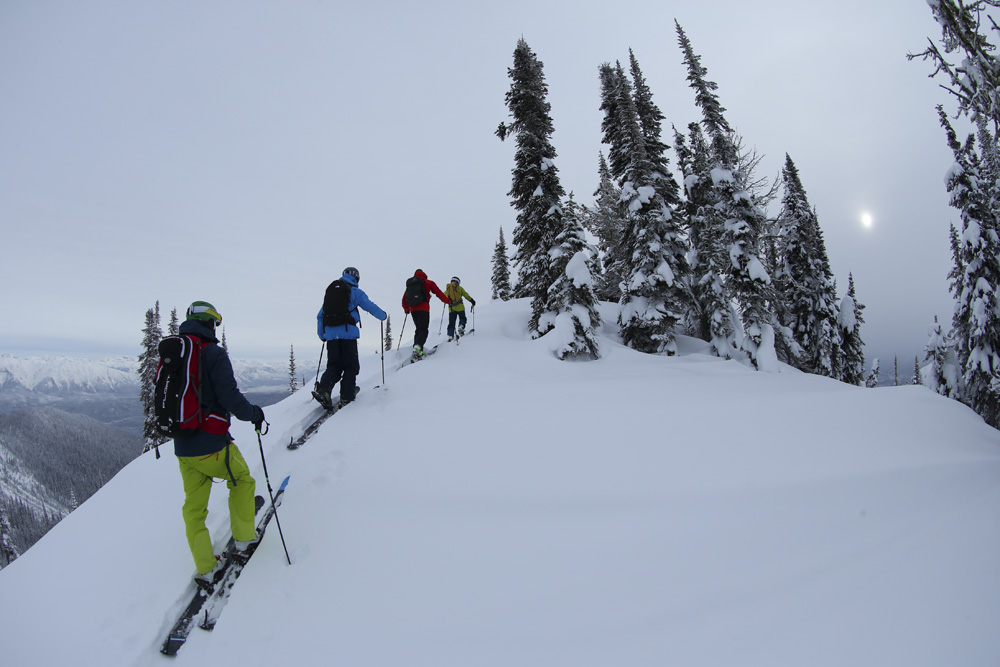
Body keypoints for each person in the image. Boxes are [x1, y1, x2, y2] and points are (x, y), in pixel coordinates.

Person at [173, 301, 266, 587]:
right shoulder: (212, 353)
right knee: (241, 480)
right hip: (212, 443)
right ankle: (244, 539)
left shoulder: (175, 353)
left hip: (183, 446)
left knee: (193, 508)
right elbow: (230, 397)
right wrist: (254, 413)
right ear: (210, 323)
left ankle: (205, 565)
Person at [315, 266, 387, 409]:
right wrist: (383, 315)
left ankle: (324, 390)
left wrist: (322, 335)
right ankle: (347, 396)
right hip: (347, 334)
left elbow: (320, 316)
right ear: (357, 278)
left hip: (331, 336)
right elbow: (369, 306)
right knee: (351, 366)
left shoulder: (331, 292)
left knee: (334, 365)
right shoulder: (355, 292)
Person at [401, 269, 450, 359]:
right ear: (424, 274)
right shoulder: (428, 282)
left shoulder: (411, 285)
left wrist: (406, 309)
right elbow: (438, 293)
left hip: (413, 310)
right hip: (423, 309)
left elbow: (404, 299)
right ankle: (418, 347)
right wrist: (447, 301)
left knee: (418, 329)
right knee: (423, 329)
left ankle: (417, 347)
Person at [444, 276, 476, 341]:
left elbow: (443, 296)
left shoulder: (448, 289)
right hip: (460, 307)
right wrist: (472, 301)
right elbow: (466, 295)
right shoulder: (460, 288)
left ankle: (450, 335)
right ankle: (461, 326)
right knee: (462, 318)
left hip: (451, 309)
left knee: (451, 322)